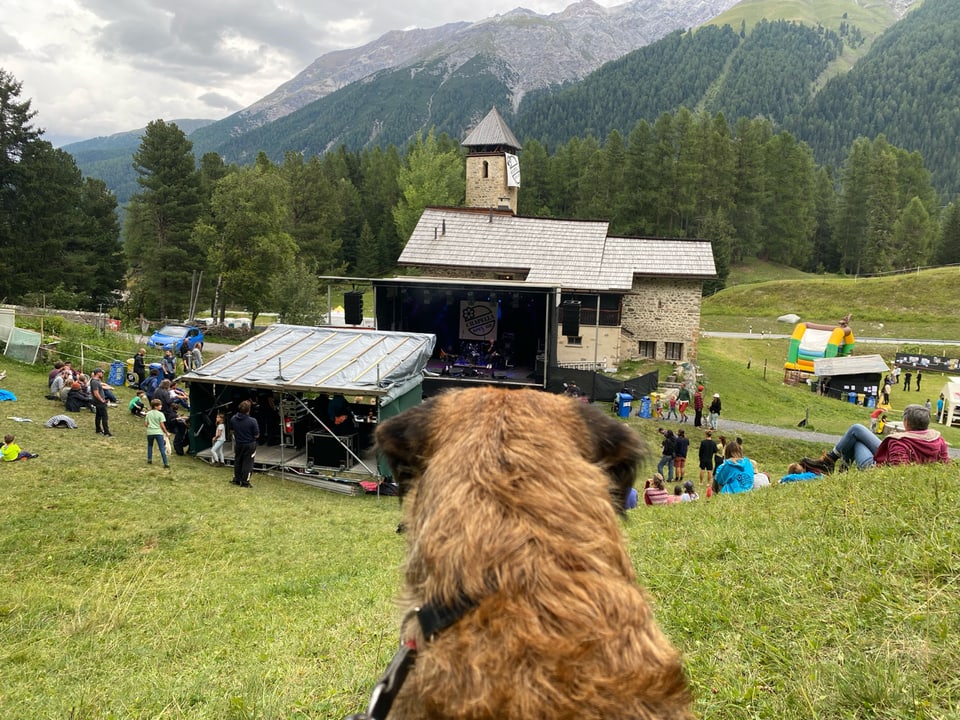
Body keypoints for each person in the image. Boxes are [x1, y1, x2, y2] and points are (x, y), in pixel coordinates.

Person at [801, 404, 950, 473]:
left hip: (876, 469)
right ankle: (835, 466)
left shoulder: (900, 442)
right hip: (892, 459)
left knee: (856, 439)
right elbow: (945, 464)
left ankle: (831, 463)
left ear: (906, 422)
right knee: (857, 429)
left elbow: (898, 471)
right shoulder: (938, 438)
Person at [230, 400, 259, 487]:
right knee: (248, 462)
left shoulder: (233, 419)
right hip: (249, 444)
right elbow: (257, 435)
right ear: (248, 410)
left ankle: (237, 479)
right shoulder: (252, 421)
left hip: (238, 443)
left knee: (238, 461)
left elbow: (232, 431)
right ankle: (245, 481)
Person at [144, 398, 170, 468]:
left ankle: (149, 459)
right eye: (160, 405)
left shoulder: (148, 413)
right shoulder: (160, 414)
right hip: (158, 432)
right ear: (155, 406)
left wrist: (150, 426)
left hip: (150, 432)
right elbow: (162, 425)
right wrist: (166, 432)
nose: (161, 406)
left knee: (150, 446)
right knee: (161, 447)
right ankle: (165, 463)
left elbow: (146, 424)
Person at [89, 367, 112, 436]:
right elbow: (96, 393)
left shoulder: (97, 380)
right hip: (99, 402)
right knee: (105, 417)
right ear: (98, 373)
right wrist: (102, 400)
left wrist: (109, 387)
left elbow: (101, 387)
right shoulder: (94, 382)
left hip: (99, 401)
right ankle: (106, 432)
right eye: (101, 372)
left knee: (98, 416)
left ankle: (98, 429)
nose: (102, 374)